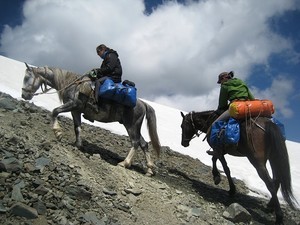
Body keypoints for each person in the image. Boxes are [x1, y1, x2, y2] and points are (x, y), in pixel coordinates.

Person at [207, 71, 255, 155]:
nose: (220, 83)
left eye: (220, 81)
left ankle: (217, 149)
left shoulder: (225, 86)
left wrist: (220, 110)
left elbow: (222, 103)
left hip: (236, 107)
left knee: (215, 124)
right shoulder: (242, 82)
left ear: (223, 79)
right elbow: (252, 98)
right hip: (249, 107)